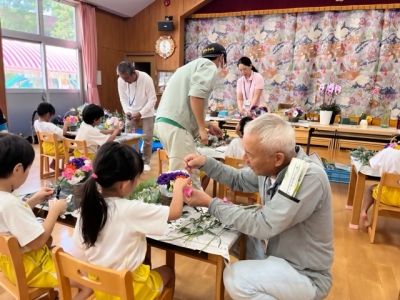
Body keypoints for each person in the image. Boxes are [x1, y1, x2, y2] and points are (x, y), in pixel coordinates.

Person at [182, 114, 333, 300]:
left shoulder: (307, 176)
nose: (244, 158)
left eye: (250, 155)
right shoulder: (273, 167)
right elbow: (238, 179)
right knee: (233, 235)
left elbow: (264, 225)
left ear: (277, 158)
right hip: (279, 257)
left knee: (235, 277)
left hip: (305, 274)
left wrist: (209, 203)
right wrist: (206, 163)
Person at [73, 142, 188, 300]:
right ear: (124, 184)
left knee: (145, 261)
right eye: (136, 178)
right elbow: (175, 212)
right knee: (168, 271)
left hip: (100, 286)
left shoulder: (88, 205)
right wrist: (178, 187)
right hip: (129, 290)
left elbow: (80, 243)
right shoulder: (129, 209)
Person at [0, 133, 92, 299]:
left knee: (69, 260)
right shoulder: (10, 203)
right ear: (17, 169)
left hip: (10, 264)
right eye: (28, 169)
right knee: (88, 284)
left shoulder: (4, 199)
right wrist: (54, 211)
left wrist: (34, 199)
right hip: (31, 267)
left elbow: (10, 220)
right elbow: (38, 242)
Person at [155, 42, 225, 190]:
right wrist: (201, 128)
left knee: (182, 171)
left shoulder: (188, 67)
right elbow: (195, 96)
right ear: (221, 58)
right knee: (185, 175)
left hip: (164, 123)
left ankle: (179, 209)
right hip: (177, 127)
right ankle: (185, 212)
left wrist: (208, 125)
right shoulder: (210, 66)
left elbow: (183, 107)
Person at [117, 61, 157, 172]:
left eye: (126, 78)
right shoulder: (121, 80)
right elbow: (123, 98)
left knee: (147, 137)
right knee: (128, 137)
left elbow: (153, 99)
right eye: (122, 78)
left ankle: (145, 161)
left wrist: (141, 113)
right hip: (130, 111)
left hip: (147, 112)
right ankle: (129, 161)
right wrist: (126, 110)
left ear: (133, 73)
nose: (124, 81)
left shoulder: (146, 79)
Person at [360, 147, 400, 228]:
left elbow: (371, 164)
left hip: (384, 196)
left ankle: (363, 212)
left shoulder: (388, 152)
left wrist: (377, 154)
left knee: (371, 189)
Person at [32, 102, 70, 170]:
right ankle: (68, 169)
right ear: (48, 114)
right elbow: (63, 133)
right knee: (70, 148)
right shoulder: (49, 125)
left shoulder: (36, 122)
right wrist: (66, 124)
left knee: (60, 144)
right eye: (52, 115)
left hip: (45, 147)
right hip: (54, 148)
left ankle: (53, 164)